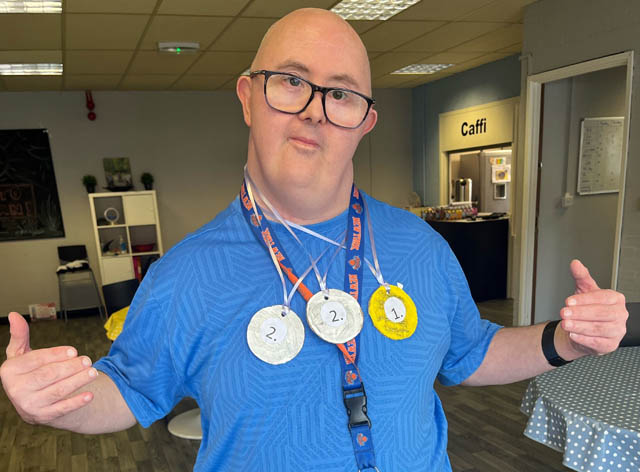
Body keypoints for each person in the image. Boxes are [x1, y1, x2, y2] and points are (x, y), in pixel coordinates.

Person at [0, 8, 628, 472]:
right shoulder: (186, 274)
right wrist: (54, 404)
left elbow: (471, 351)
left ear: (365, 123)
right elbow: (130, 389)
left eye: (342, 94)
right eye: (291, 81)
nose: (314, 110)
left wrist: (563, 340)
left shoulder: (420, 246)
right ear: (250, 97)